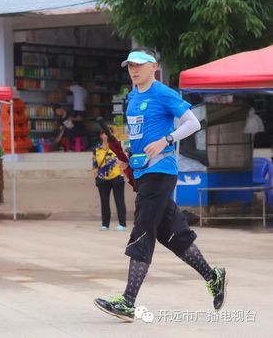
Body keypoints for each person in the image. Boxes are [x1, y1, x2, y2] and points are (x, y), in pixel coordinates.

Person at [94, 47, 227, 322]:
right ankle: (213, 277)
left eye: (139, 65)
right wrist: (129, 159)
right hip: (143, 173)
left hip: (161, 171)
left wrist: (167, 140)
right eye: (130, 65)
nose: (134, 70)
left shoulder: (163, 93)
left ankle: (128, 302)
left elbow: (193, 123)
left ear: (153, 66)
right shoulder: (132, 97)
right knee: (172, 234)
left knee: (143, 229)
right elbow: (140, 136)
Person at [93, 129, 127, 231]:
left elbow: (123, 160)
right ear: (101, 136)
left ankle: (122, 223)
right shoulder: (97, 149)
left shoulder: (117, 147)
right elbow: (94, 164)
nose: (107, 135)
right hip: (102, 179)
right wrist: (96, 177)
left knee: (120, 201)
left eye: (109, 133)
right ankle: (105, 224)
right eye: (104, 133)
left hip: (116, 177)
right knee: (104, 202)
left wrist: (122, 173)